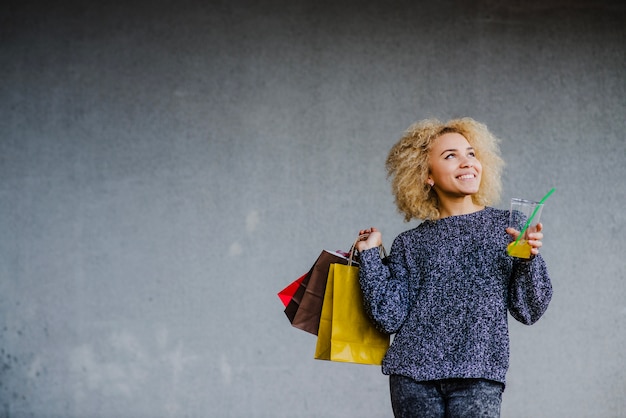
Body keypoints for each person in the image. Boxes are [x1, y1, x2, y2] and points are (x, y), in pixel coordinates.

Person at [355, 117, 552, 418]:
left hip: (479, 375)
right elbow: (388, 317)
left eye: (471, 153)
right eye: (451, 156)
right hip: (412, 377)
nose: (467, 162)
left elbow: (529, 310)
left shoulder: (508, 228)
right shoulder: (410, 243)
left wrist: (528, 258)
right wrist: (370, 256)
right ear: (426, 175)